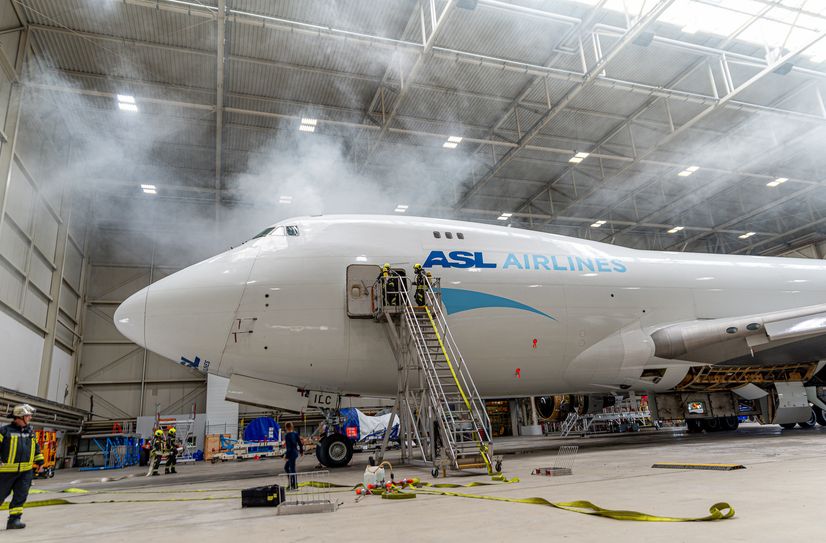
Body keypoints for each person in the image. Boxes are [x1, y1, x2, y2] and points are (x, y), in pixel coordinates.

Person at [0, 404, 45, 530]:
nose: (30, 417)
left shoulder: (30, 431)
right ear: (20, 416)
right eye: (28, 415)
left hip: (26, 472)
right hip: (5, 472)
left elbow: (36, 449)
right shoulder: (4, 431)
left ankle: (14, 521)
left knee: (20, 496)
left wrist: (40, 463)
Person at [282, 422, 303, 490]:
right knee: (287, 468)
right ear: (292, 427)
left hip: (291, 454)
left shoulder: (287, 435)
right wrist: (301, 451)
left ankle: (293, 485)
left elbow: (289, 448)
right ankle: (292, 483)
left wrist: (286, 456)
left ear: (286, 428)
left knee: (292, 469)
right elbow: (300, 443)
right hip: (295, 453)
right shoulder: (295, 433)